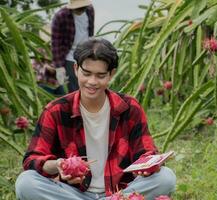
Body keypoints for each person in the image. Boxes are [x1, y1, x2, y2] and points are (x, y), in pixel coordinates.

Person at [15, 38, 176, 200]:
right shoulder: (55, 110)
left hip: (120, 191)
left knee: (165, 178)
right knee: (26, 182)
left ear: (111, 74)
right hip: (73, 193)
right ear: (76, 69)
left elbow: (146, 151)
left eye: (100, 75)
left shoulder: (129, 107)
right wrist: (57, 165)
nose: (92, 82)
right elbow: (32, 160)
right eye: (86, 73)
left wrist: (150, 163)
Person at [51, 0, 94, 93]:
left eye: (82, 7)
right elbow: (55, 43)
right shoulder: (61, 16)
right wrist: (59, 67)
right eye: (78, 8)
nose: (80, 10)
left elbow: (90, 32)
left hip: (86, 54)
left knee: (89, 86)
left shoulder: (90, 11)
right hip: (70, 57)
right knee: (73, 90)